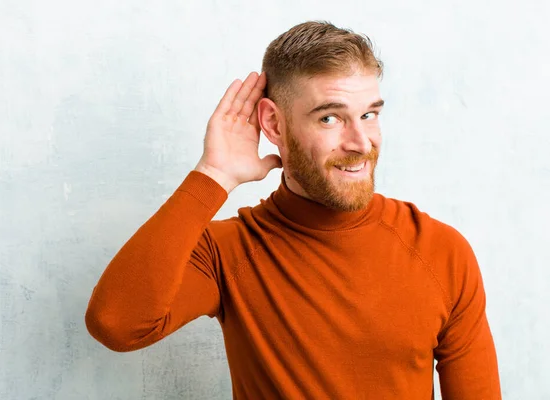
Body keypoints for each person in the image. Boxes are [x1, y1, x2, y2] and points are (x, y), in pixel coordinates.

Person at [85, 21, 501, 399]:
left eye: (369, 114)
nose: (361, 142)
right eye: (329, 119)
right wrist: (213, 176)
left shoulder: (440, 250)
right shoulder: (226, 250)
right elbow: (117, 324)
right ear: (274, 124)